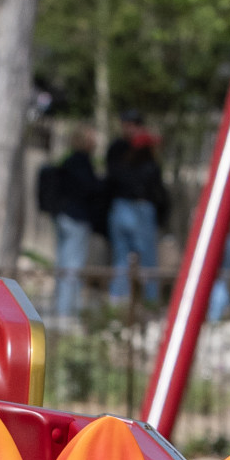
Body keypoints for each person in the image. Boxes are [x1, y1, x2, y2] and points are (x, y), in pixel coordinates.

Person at [104, 119, 169, 307]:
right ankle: (149, 303)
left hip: (120, 209)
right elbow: (157, 191)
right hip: (139, 210)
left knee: (122, 260)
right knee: (147, 261)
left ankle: (118, 304)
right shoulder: (149, 166)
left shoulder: (122, 161)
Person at [38, 135, 103, 322]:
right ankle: (65, 312)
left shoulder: (68, 161)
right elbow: (88, 189)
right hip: (75, 219)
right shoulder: (81, 163)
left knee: (63, 263)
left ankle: (61, 307)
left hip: (62, 217)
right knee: (72, 266)